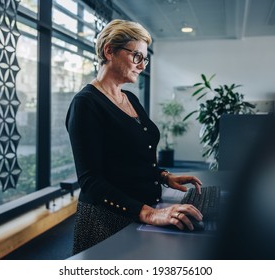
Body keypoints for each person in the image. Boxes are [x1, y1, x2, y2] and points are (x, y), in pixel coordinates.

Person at [65, 19, 203, 255]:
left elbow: (128, 157)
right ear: (109, 51)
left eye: (144, 59)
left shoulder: (131, 99)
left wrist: (163, 176)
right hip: (106, 220)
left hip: (143, 210)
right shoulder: (86, 103)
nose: (142, 66)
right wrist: (149, 213)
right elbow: (90, 180)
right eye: (136, 56)